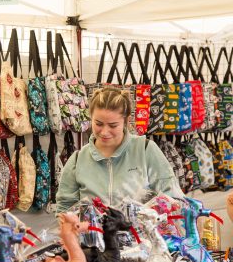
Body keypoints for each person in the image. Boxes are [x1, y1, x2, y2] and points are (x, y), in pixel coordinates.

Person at [56, 87, 184, 212]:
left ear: (126, 121)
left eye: (113, 125)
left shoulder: (145, 150)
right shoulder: (78, 159)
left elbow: (172, 197)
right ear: (91, 118)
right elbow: (65, 207)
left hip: (140, 232)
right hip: (92, 233)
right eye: (98, 124)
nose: (105, 132)